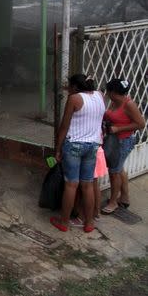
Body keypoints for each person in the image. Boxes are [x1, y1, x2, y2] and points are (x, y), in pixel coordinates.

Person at [50, 74, 105, 233]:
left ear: (75, 87)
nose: (68, 89)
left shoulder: (74, 99)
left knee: (71, 185)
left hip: (74, 144)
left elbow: (64, 126)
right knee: (87, 185)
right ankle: (89, 223)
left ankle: (64, 223)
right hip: (93, 145)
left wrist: (58, 149)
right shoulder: (99, 95)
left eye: (69, 86)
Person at [101, 78, 145, 214]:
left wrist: (118, 129)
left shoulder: (128, 104)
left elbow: (141, 124)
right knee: (119, 169)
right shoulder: (115, 102)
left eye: (109, 91)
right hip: (115, 140)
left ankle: (113, 202)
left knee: (114, 172)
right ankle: (124, 198)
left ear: (114, 92)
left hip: (123, 141)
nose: (107, 93)